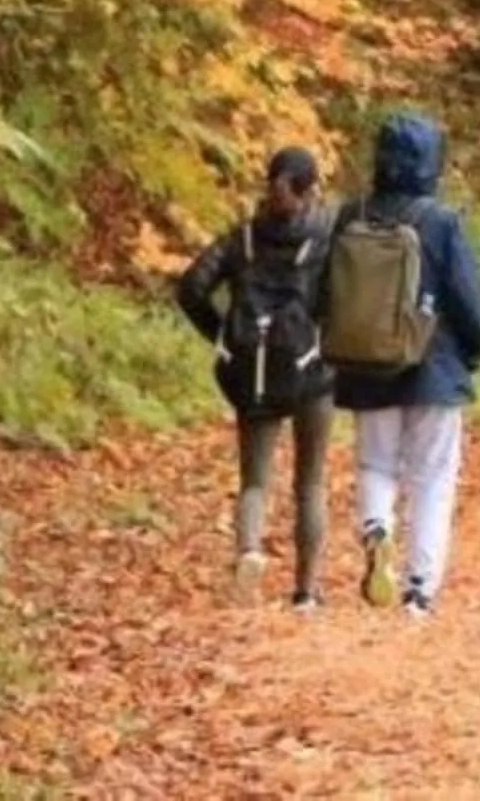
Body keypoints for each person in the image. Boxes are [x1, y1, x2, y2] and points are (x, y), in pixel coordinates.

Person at [325, 111, 480, 620]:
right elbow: (467, 300)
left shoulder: (350, 214)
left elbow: (328, 291)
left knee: (376, 463)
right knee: (432, 479)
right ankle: (419, 590)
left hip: (365, 366)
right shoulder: (440, 222)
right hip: (432, 368)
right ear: (430, 161)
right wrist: (475, 350)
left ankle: (377, 527)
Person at [174, 145, 335, 611]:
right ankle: (306, 592)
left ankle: (248, 550)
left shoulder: (242, 238)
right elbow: (340, 298)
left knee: (255, 480)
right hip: (311, 370)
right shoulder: (324, 239)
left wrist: (222, 335)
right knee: (311, 482)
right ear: (312, 191)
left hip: (255, 371)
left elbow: (191, 287)